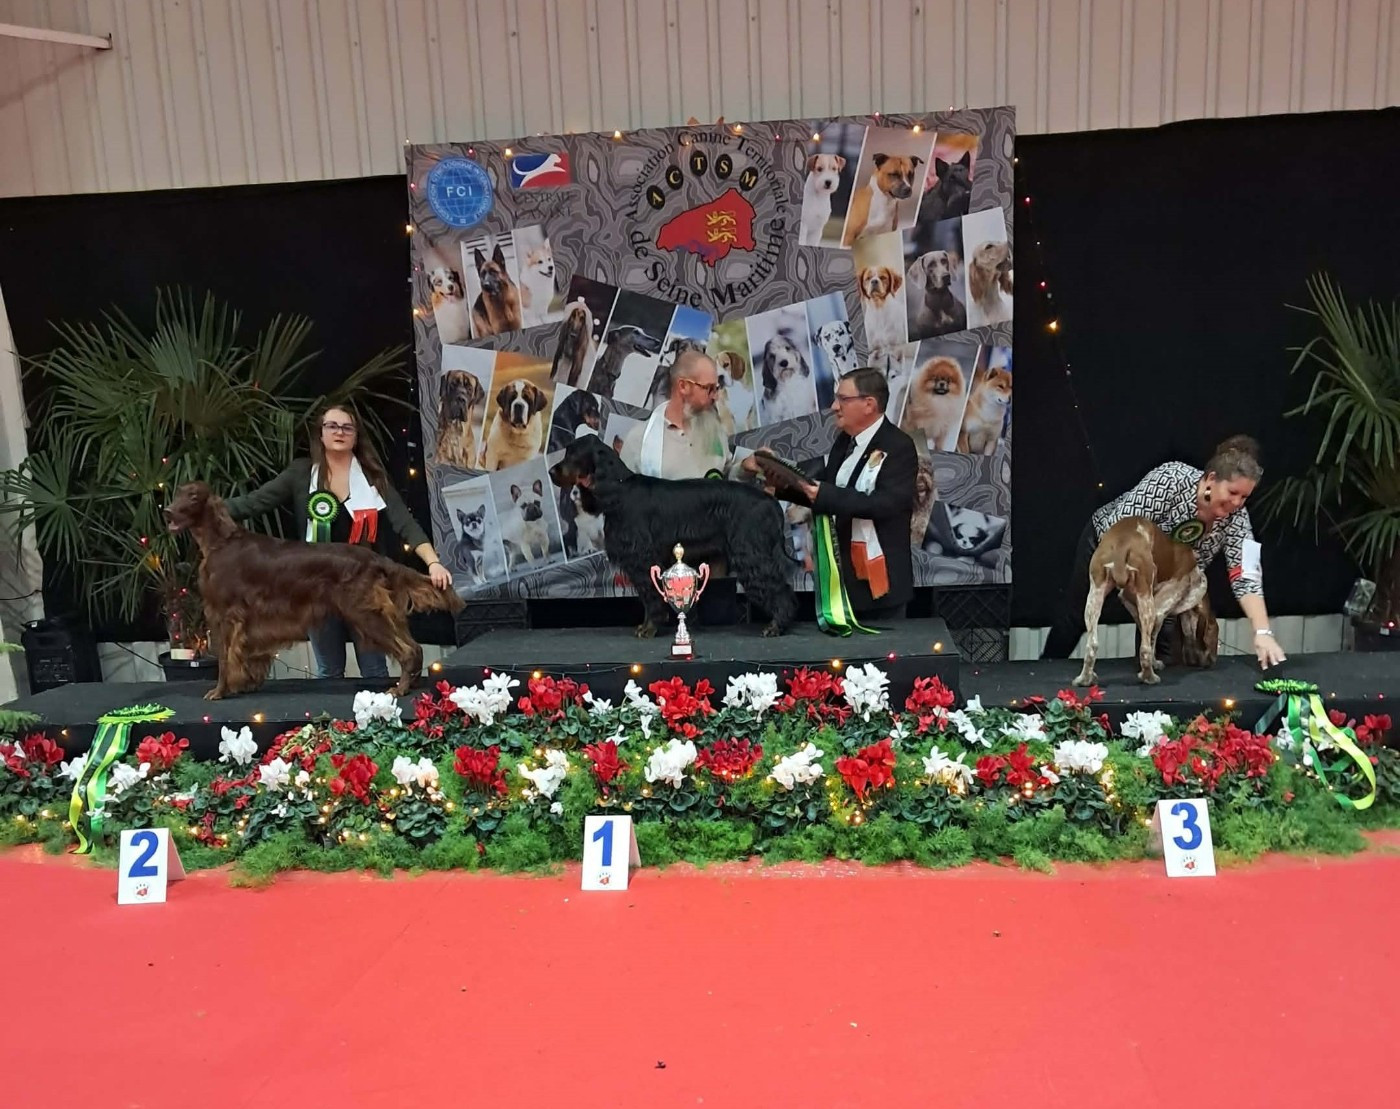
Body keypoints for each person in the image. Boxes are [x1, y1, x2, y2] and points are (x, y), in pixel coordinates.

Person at [223, 401, 452, 680]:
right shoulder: (301, 473)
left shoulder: (373, 478)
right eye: (332, 426)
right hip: (315, 585)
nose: (339, 432)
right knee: (329, 671)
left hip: (364, 586)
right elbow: (253, 502)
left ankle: (378, 708)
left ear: (356, 437)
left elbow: (405, 523)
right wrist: (206, 508)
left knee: (375, 670)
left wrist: (433, 562)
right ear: (321, 434)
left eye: (347, 427)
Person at [1041, 434, 1288, 670]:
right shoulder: (1171, 478)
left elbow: (1247, 575)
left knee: (1162, 644)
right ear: (1211, 479)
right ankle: (1043, 671)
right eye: (1232, 493)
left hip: (1167, 580)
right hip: (1110, 546)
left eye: (1244, 497)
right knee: (1076, 615)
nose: (1237, 503)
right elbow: (1121, 528)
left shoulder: (1238, 519)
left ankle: (1152, 691)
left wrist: (1262, 632)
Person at [748, 366, 917, 621]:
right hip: (841, 581)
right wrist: (780, 486)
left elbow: (885, 504)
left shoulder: (899, 446)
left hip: (879, 585)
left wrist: (823, 494)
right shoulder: (844, 441)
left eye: (843, 399)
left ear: (869, 404)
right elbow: (826, 494)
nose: (834, 406)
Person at [619, 350, 744, 480]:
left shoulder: (715, 431)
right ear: (683, 386)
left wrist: (743, 470)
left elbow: (725, 476)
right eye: (709, 389)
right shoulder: (639, 441)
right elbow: (623, 490)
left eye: (717, 388)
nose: (715, 397)